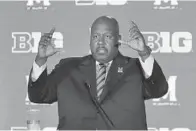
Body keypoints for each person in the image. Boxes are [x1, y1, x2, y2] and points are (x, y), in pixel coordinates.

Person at [28, 16, 168, 130]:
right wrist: (41, 59)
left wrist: (144, 53)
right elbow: (38, 96)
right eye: (95, 36)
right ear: (89, 41)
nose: (100, 42)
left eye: (107, 36)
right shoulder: (68, 68)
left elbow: (159, 90)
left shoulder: (135, 68)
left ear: (118, 39)